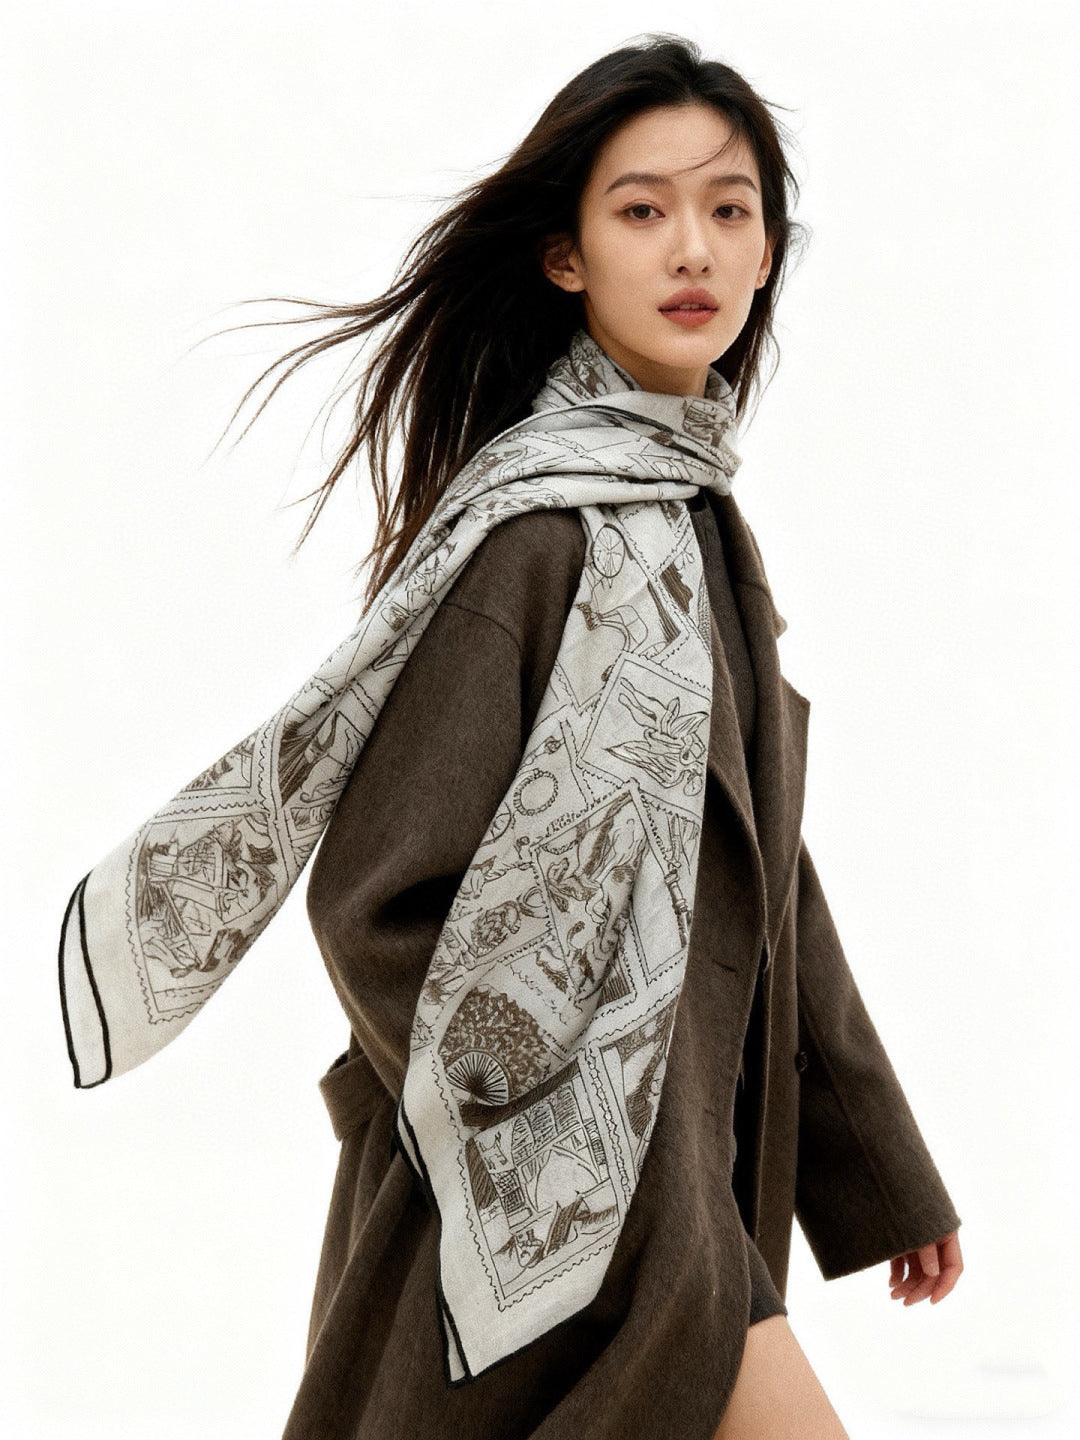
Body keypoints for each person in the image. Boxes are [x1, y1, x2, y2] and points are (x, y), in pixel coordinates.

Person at [60, 34, 964, 1440]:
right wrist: (555, 1144)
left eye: (729, 209)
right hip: (526, 1244)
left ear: (768, 251)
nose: (693, 247)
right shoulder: (534, 541)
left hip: (673, 1215)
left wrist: (879, 1173)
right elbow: (375, 902)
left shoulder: (691, 527)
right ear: (565, 257)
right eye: (642, 209)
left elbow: (761, 865)